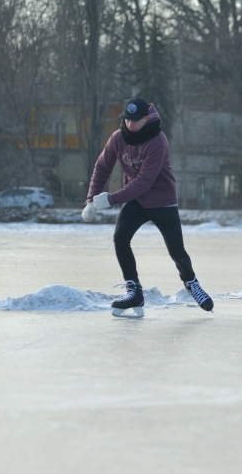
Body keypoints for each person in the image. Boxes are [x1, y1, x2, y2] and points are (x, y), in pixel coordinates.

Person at [82, 97, 213, 317]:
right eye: (127, 120)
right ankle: (134, 291)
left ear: (146, 119)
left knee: (177, 251)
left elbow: (144, 181)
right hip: (137, 201)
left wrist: (111, 199)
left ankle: (192, 283)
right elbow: (103, 166)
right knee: (120, 237)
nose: (130, 125)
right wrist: (91, 199)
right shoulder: (118, 138)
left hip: (162, 200)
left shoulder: (157, 141)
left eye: (135, 120)